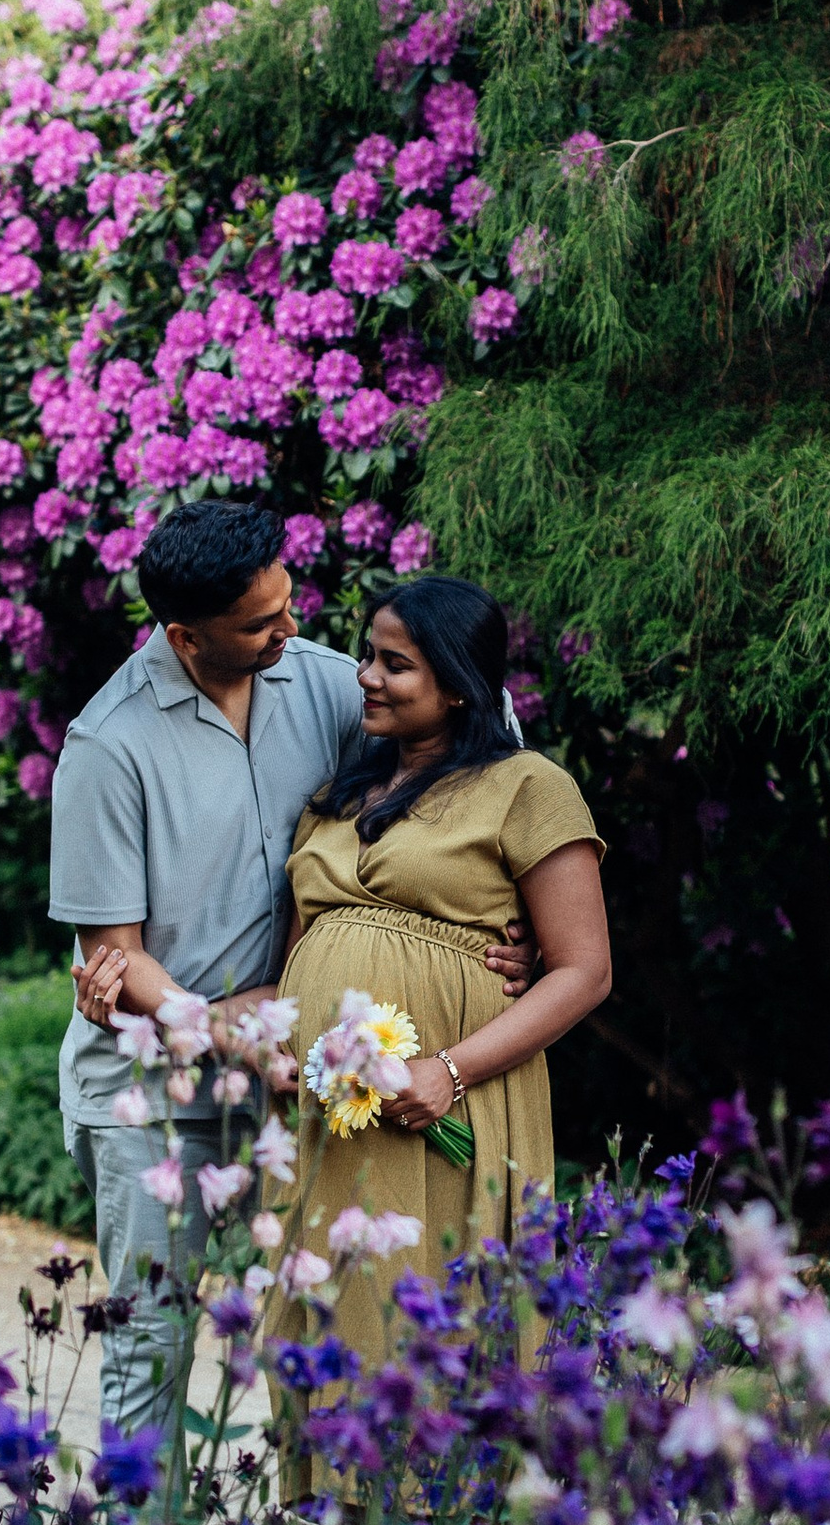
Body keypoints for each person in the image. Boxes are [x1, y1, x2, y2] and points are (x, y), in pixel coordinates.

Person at [51, 503, 532, 1442]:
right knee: (154, 1344)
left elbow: (484, 730)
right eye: (262, 622)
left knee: (322, 1328)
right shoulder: (106, 746)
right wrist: (232, 1021)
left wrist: (517, 914)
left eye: (288, 601)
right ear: (186, 637)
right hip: (158, 1098)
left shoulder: (323, 682)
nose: (292, 628)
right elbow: (115, 957)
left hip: (312, 1092)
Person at [278, 573, 610, 1366]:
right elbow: (293, 958)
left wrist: (446, 1072)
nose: (365, 675)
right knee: (336, 1328)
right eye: (369, 655)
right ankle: (337, 1496)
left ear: (459, 687)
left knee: (439, 1322)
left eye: (395, 664)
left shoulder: (529, 788)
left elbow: (585, 971)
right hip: (327, 1118)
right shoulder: (335, 797)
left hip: (446, 1105)